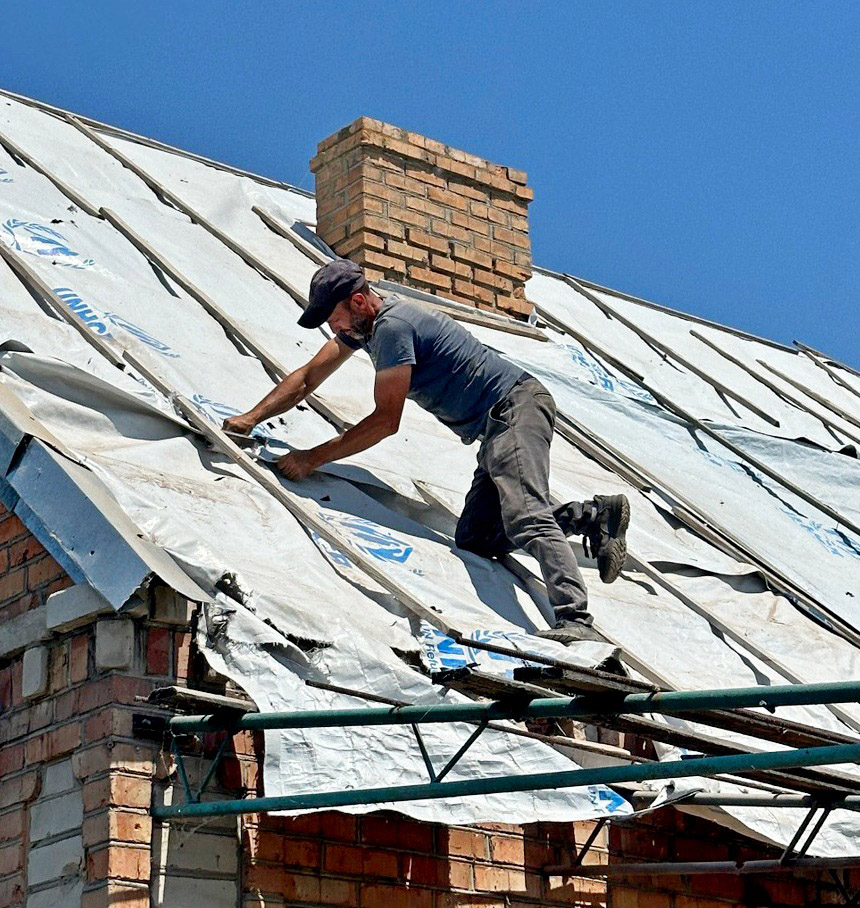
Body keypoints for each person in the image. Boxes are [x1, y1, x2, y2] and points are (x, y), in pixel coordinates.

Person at [223, 259, 629, 642]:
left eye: (336, 317)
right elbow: (310, 376)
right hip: (494, 426)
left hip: (514, 408)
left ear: (359, 302)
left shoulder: (392, 328)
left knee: (526, 514)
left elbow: (386, 421)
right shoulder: (363, 328)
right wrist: (250, 418)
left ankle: (576, 619)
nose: (335, 327)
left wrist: (312, 458)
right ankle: (593, 516)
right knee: (476, 539)